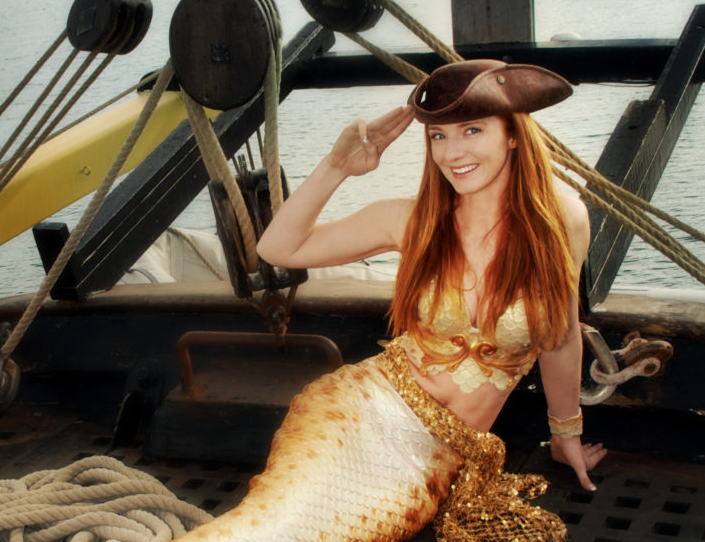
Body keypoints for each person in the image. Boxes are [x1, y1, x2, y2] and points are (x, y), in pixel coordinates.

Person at [257, 59, 606, 505]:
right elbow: (278, 250)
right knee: (287, 518)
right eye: (438, 136)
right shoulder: (411, 219)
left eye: (472, 130)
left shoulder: (561, 219)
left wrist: (565, 435)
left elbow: (561, 337)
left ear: (514, 134)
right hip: (363, 409)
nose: (452, 152)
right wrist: (337, 166)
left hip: (442, 456)